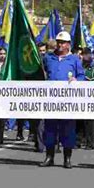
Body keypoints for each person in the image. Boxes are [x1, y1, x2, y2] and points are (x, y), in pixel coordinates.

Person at [40, 31, 85, 169]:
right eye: (59, 42)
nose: (60, 45)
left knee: (68, 130)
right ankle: (49, 157)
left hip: (68, 101)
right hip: (51, 100)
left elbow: (82, 76)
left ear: (68, 44)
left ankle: (67, 158)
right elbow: (41, 74)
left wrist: (76, 80)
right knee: (50, 129)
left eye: (63, 42)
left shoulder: (75, 59)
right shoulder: (48, 58)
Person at [82, 47, 94, 150]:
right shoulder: (78, 68)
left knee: (90, 122)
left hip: (90, 99)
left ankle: (90, 142)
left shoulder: (92, 70)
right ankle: (79, 140)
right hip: (79, 98)